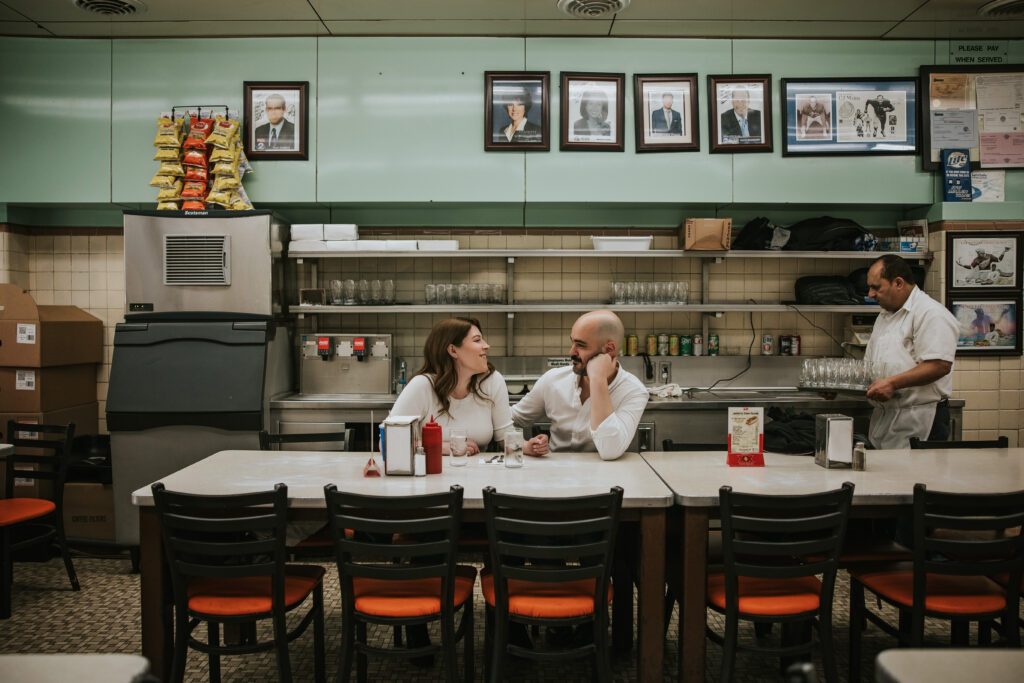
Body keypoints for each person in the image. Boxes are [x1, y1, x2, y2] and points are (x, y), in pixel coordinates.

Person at [512, 310, 648, 461]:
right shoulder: (553, 380)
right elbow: (509, 419)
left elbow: (610, 451)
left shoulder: (634, 391)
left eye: (581, 345)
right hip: (554, 475)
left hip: (605, 477)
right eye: (572, 342)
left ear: (609, 350)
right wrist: (523, 445)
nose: (571, 352)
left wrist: (597, 379)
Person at [862, 254, 958, 449]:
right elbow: (874, 368)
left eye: (876, 287)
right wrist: (840, 390)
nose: (870, 294)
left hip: (921, 417)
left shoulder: (931, 314)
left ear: (898, 283)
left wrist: (892, 383)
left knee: (915, 478)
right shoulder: (886, 315)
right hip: (888, 417)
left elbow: (939, 365)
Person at [389, 317, 513, 454]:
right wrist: (446, 447)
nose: (486, 346)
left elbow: (505, 437)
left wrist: (529, 446)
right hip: (430, 472)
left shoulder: (492, 380)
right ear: (453, 350)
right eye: (477, 340)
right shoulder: (422, 385)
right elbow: (388, 441)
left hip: (479, 473)